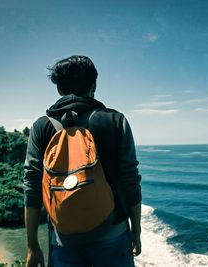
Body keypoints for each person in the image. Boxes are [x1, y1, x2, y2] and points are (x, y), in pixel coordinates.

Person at [23, 55, 142, 267]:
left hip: (63, 240)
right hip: (112, 234)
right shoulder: (115, 121)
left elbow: (31, 187)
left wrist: (32, 246)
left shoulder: (41, 127)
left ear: (58, 89)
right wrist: (136, 230)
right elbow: (130, 180)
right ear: (94, 84)